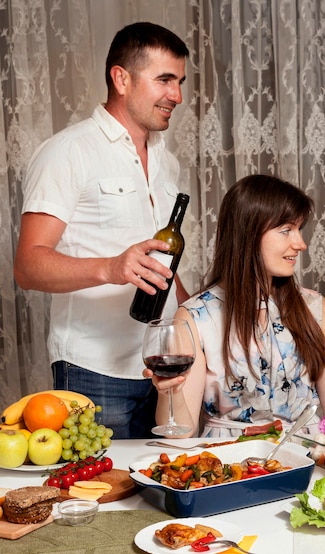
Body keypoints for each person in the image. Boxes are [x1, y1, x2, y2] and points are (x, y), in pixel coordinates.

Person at [13, 22, 190, 439]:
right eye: (165, 80)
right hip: (94, 371)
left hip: (160, 367)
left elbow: (162, 260)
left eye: (180, 82)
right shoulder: (67, 152)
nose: (177, 96)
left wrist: (193, 317)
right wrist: (112, 267)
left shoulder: (168, 162)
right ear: (121, 78)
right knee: (105, 499)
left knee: (158, 492)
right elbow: (28, 266)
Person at [144, 175, 325, 437]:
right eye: (286, 230)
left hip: (306, 461)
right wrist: (169, 393)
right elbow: (180, 432)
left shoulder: (315, 308)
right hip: (231, 466)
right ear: (248, 234)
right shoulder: (196, 316)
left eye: (299, 230)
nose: (300, 244)